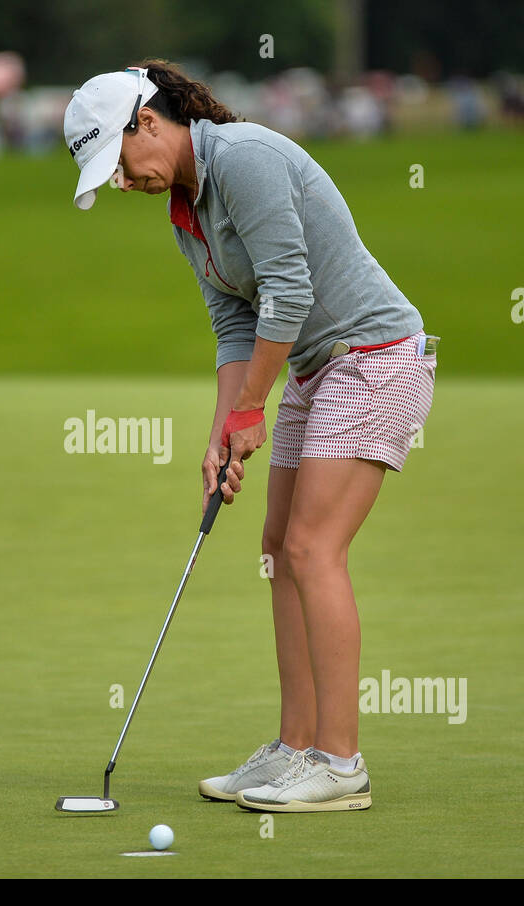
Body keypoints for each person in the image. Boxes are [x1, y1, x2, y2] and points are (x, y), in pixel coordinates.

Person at [64, 60, 438, 812]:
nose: (120, 181)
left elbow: (290, 288)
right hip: (310, 367)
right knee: (277, 547)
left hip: (374, 356)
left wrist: (252, 408)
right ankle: (294, 747)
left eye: (117, 162)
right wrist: (220, 432)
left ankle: (340, 763)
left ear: (148, 122)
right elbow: (236, 323)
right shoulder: (185, 210)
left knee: (311, 547)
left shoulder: (245, 158)